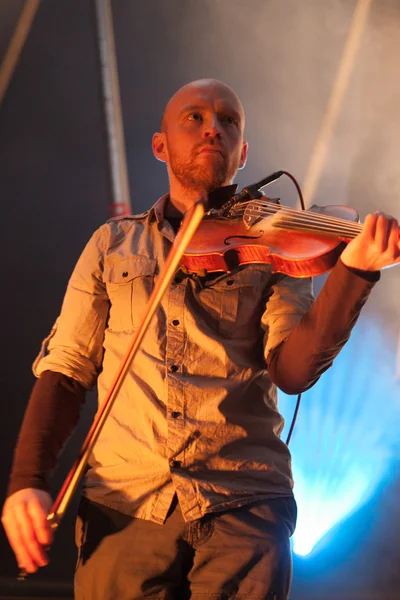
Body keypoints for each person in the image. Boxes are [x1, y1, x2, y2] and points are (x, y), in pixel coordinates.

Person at [2, 78, 399, 600]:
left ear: (243, 153)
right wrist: (26, 480)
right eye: (195, 117)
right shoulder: (111, 244)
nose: (213, 127)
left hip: (245, 506)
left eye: (228, 121)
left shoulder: (275, 246)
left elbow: (293, 370)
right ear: (160, 145)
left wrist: (355, 273)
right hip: (126, 508)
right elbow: (66, 369)